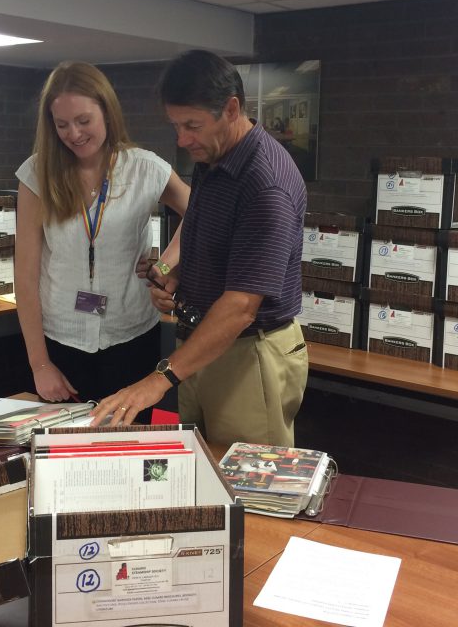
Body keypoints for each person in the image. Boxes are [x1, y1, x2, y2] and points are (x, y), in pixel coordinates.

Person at [91, 50, 309, 446]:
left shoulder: (266, 184)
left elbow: (242, 306)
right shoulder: (214, 155)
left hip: (248, 352)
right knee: (197, 472)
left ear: (230, 109)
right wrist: (178, 276)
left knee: (249, 485)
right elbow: (212, 235)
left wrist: (158, 380)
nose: (182, 139)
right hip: (202, 345)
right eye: (176, 125)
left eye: (191, 125)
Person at [14, 61, 190, 420]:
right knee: (65, 461)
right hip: (61, 342)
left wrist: (165, 264)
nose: (73, 133)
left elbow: (203, 213)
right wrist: (39, 364)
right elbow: (25, 275)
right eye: (61, 124)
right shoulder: (37, 174)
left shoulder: (145, 168)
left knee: (124, 457)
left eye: (83, 120)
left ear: (107, 112)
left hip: (131, 339)